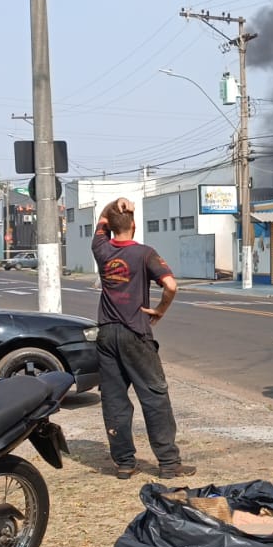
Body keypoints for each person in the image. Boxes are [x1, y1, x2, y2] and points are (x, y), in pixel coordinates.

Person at [92, 197, 194, 481]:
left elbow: (102, 220)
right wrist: (160, 309)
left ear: (110, 227)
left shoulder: (101, 249)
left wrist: (115, 204)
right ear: (134, 226)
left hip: (106, 332)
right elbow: (171, 285)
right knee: (154, 396)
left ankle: (124, 463)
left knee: (114, 400)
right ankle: (169, 463)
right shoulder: (145, 254)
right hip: (135, 332)